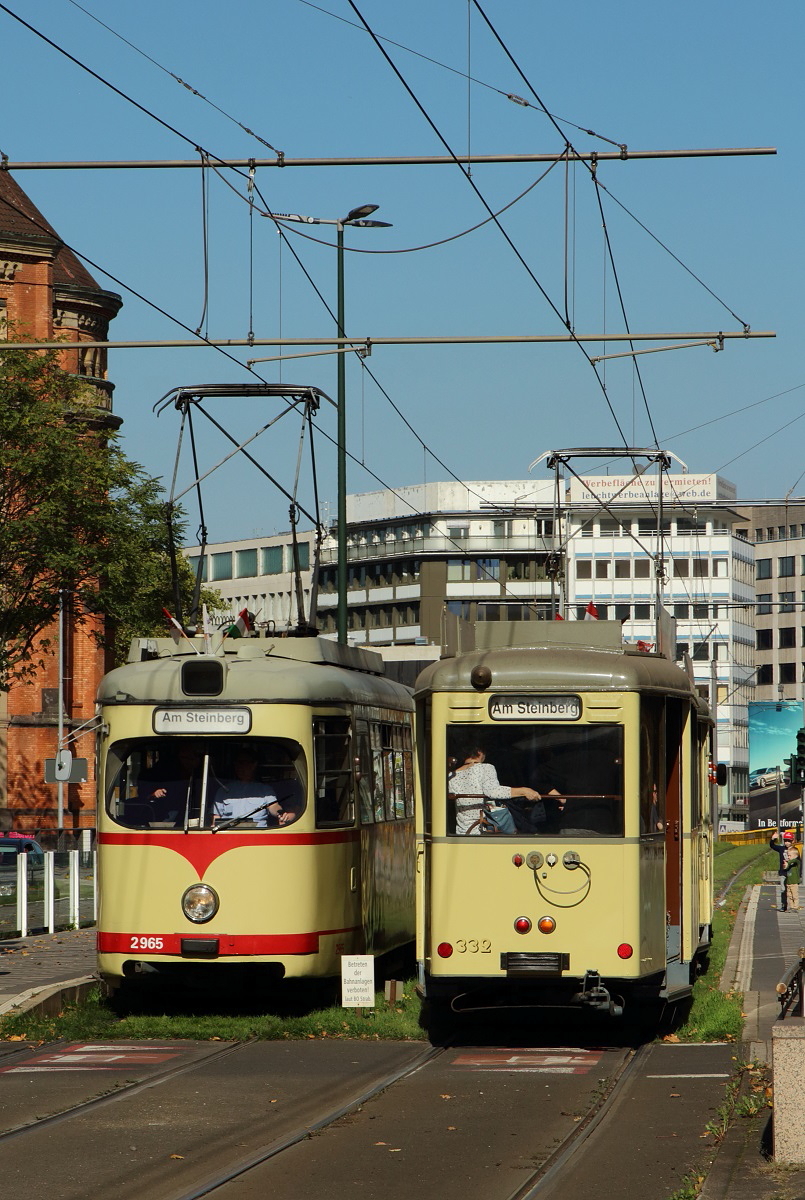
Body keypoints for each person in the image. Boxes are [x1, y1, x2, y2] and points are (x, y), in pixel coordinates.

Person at [448, 745, 545, 836]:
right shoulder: (485, 768)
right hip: (486, 830)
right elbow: (493, 791)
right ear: (479, 752)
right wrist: (524, 791)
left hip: (463, 831)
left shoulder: (452, 775)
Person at [214, 749, 297, 828]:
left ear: (254, 765)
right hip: (228, 834)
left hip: (257, 834)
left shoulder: (265, 790)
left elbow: (273, 806)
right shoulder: (223, 790)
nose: (240, 766)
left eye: (244, 763)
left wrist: (280, 814)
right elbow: (215, 819)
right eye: (238, 763)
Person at [770, 830, 800, 912]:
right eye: (785, 840)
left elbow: (797, 861)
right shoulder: (781, 848)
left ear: (792, 841)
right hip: (783, 873)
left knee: (792, 891)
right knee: (783, 890)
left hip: (792, 874)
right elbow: (772, 846)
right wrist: (773, 839)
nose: (787, 842)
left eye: (789, 841)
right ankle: (784, 905)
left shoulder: (795, 850)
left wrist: (798, 874)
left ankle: (794, 906)